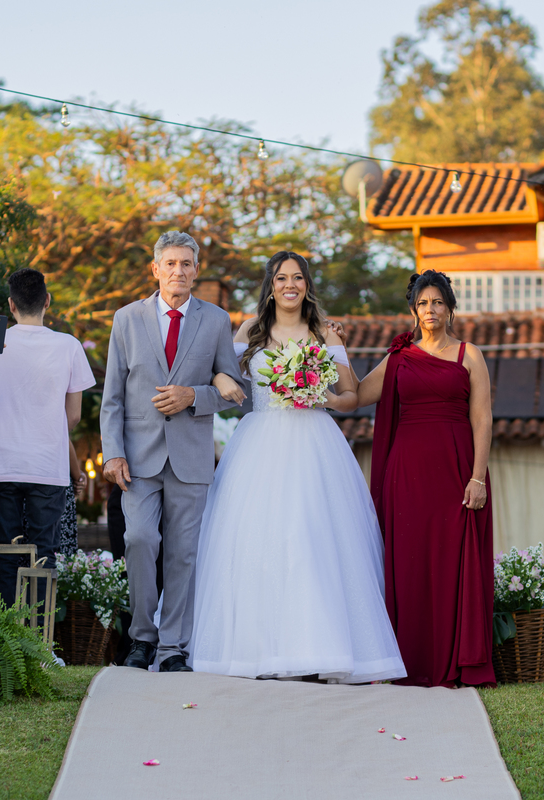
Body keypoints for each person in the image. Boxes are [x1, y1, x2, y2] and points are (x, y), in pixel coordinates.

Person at [189, 252, 406, 683]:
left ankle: (318, 649)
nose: (290, 285)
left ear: (307, 285)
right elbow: (219, 372)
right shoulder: (249, 330)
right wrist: (221, 380)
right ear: (270, 286)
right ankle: (260, 650)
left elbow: (351, 396)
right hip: (260, 446)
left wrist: (320, 395)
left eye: (298, 278)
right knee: (258, 543)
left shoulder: (325, 332)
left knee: (311, 540)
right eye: (281, 278)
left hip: (315, 445)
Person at [100, 231, 246, 673]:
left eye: (186, 264)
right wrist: (112, 453)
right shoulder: (126, 319)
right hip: (138, 458)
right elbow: (112, 396)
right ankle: (142, 638)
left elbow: (233, 391)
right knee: (139, 540)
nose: (178, 271)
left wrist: (193, 396)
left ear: (196, 271)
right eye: (170, 263)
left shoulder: (216, 320)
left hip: (191, 457)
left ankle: (172, 648)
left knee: (184, 554)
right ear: (156, 269)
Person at [352, 270, 495, 687]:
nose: (430, 310)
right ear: (414, 310)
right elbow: (357, 395)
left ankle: (458, 659)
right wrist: (334, 350)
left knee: (454, 562)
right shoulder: (399, 357)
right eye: (422, 303)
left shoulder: (469, 354)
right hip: (407, 477)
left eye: (437, 302)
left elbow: (483, 419)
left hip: (456, 472)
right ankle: (408, 660)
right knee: (410, 564)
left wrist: (478, 478)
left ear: (450, 308)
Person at [0, 268, 95, 605]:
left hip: (1, 463)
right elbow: (73, 416)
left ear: (11, 305)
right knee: (44, 553)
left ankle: (4, 629)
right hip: (47, 464)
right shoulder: (68, 346)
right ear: (47, 301)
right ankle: (40, 632)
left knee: (5, 549)